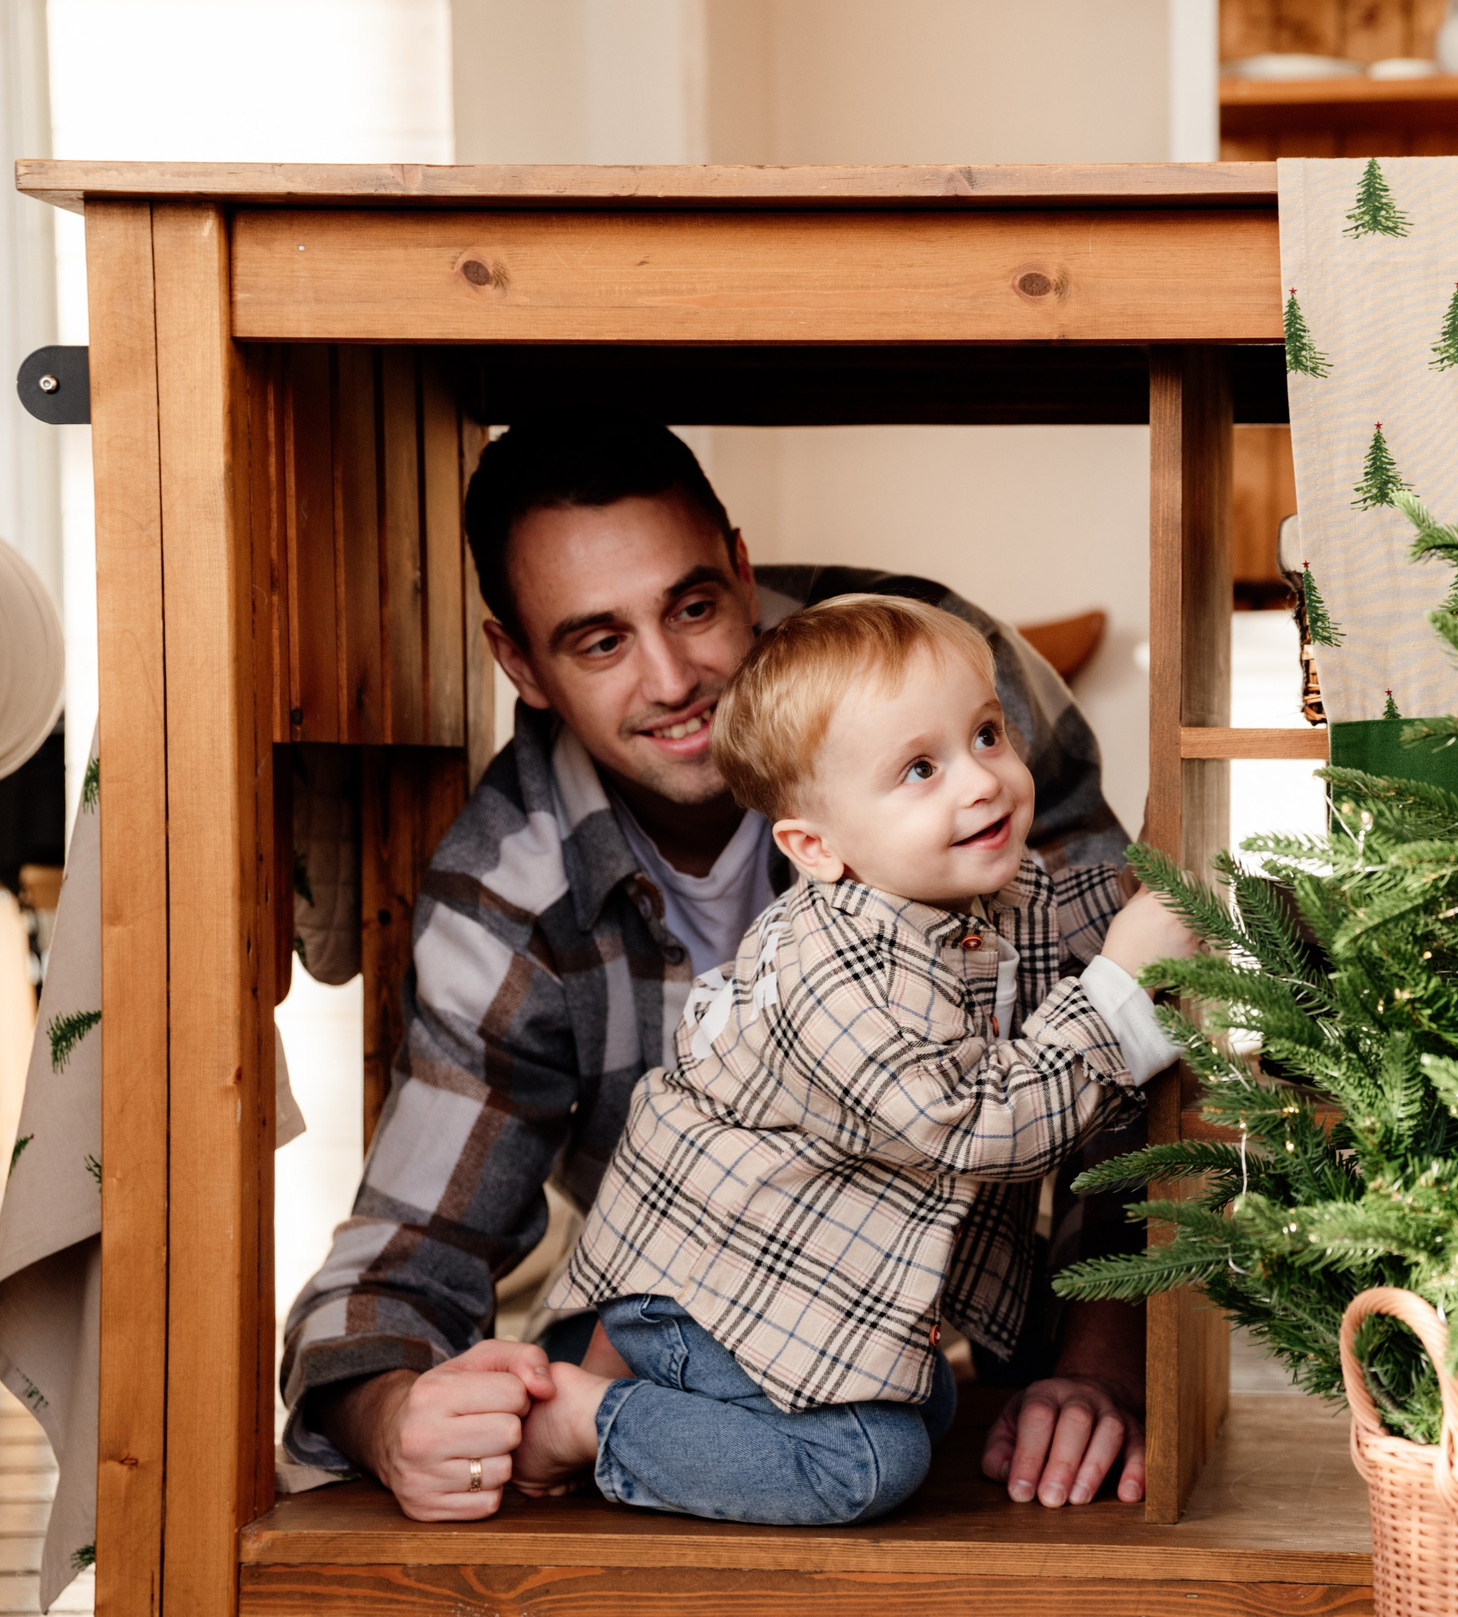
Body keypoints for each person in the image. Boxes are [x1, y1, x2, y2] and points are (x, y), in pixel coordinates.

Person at [280, 419, 1153, 1520]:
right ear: (521, 664)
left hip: (924, 1328)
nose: (675, 679)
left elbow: (1122, 1010)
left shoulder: (934, 670)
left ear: (741, 570)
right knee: (860, 1469)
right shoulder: (507, 890)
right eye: (598, 642)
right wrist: (390, 1417)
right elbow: (411, 1247)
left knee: (921, 1443)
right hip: (686, 1338)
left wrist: (1104, 1354)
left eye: (692, 606)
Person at [501, 595, 1195, 1524]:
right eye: (919, 767)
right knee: (869, 1456)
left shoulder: (963, 890)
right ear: (816, 847)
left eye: (987, 733)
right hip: (713, 1282)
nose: (981, 782)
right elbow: (972, 1126)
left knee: (931, 1398)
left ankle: (646, 1396)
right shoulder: (833, 966)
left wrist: (1196, 907)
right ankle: (589, 1421)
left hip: (795, 1275)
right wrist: (1120, 994)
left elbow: (1072, 921)